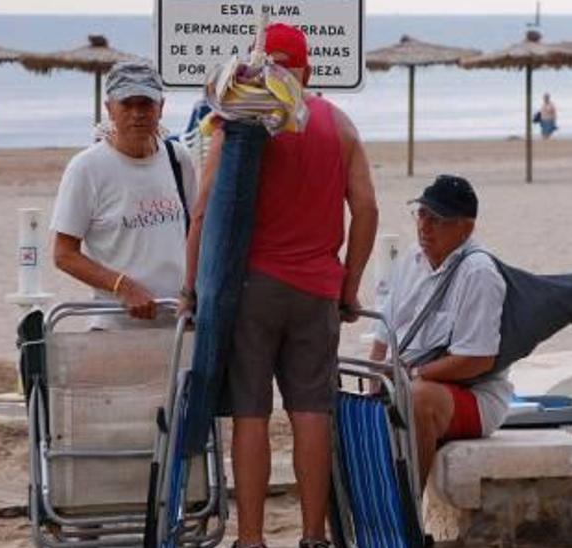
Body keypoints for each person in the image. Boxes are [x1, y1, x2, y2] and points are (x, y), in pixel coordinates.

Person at [184, 23, 378, 548]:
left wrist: (190, 286)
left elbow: (204, 214)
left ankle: (251, 539)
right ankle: (314, 536)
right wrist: (349, 283)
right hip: (316, 290)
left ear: (258, 66)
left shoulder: (240, 124)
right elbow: (366, 209)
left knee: (250, 413)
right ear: (309, 71)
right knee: (311, 412)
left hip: (252, 290)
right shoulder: (339, 125)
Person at [371, 174, 511, 484]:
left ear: (466, 227)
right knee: (333, 405)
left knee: (418, 399)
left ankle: (408, 513)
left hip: (474, 395)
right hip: (409, 376)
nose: (425, 226)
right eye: (421, 214)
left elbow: (478, 360)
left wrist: (413, 374)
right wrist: (377, 377)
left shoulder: (479, 273)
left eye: (438, 219)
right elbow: (385, 328)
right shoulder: (413, 257)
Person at [51, 60, 195, 328]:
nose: (137, 113)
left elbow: (195, 232)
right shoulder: (86, 168)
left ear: (161, 107)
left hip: (177, 324)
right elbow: (63, 254)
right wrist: (123, 286)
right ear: (109, 109)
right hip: (115, 327)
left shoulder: (178, 159)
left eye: (145, 103)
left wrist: (194, 293)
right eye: (127, 104)